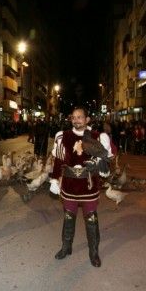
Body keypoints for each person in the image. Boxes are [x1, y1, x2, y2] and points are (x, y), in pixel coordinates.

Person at [49, 107, 112, 267]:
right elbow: (58, 160)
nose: (76, 120)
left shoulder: (98, 137)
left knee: (91, 218)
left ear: (87, 119)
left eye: (80, 117)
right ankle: (66, 247)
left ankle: (93, 252)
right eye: (74, 118)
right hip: (69, 184)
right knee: (69, 216)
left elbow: (108, 158)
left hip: (88, 184)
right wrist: (55, 180)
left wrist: (97, 164)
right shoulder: (63, 136)